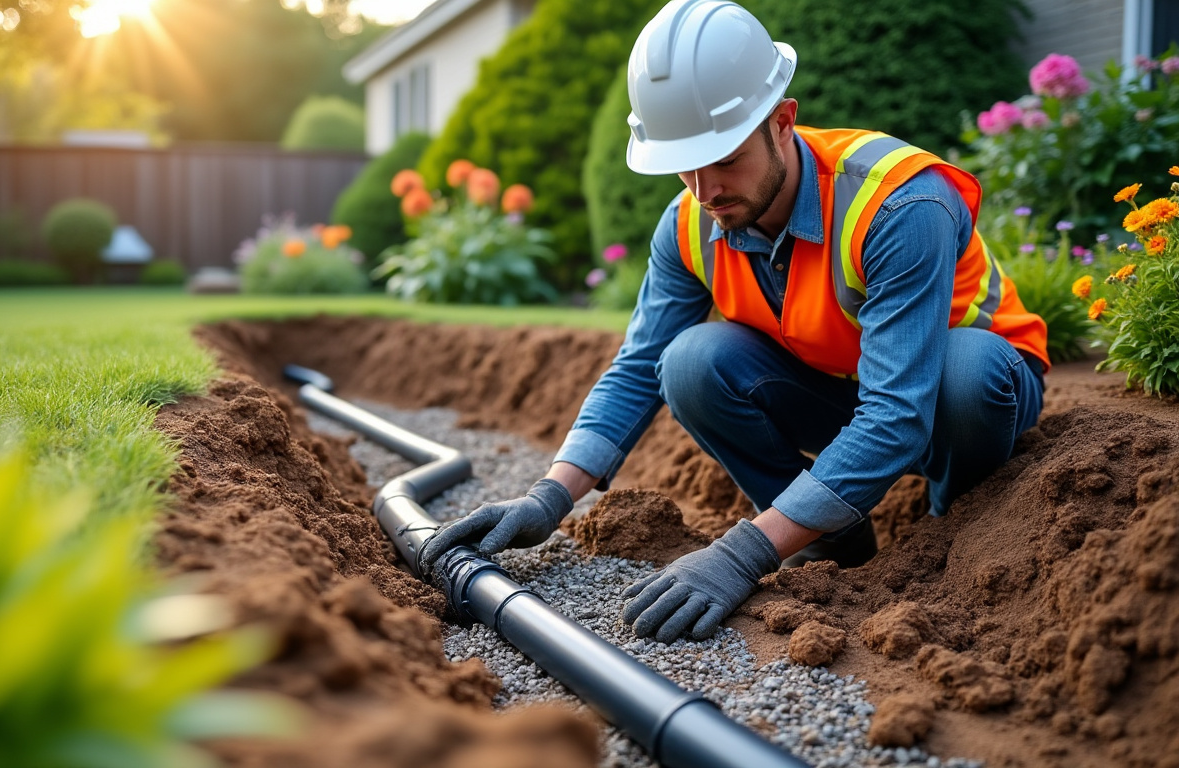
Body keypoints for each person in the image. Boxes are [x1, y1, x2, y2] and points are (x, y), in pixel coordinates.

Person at [420, 0, 1048, 644]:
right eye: (684, 164)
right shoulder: (690, 222)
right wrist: (545, 500)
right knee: (689, 362)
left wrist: (744, 553)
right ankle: (829, 535)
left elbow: (897, 413)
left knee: (965, 372)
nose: (704, 187)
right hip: (850, 389)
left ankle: (950, 539)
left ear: (782, 122)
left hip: (964, 399)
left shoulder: (898, 204)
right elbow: (638, 368)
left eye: (723, 157)